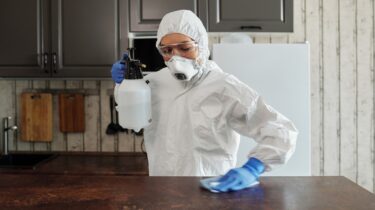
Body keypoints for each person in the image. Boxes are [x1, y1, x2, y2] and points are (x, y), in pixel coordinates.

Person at [112, 10, 298, 193]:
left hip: (211, 192)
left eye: (184, 48)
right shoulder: (153, 83)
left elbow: (282, 131)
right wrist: (124, 84)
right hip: (163, 192)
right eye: (167, 50)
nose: (175, 58)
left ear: (200, 45)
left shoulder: (225, 87)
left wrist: (253, 168)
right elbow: (131, 113)